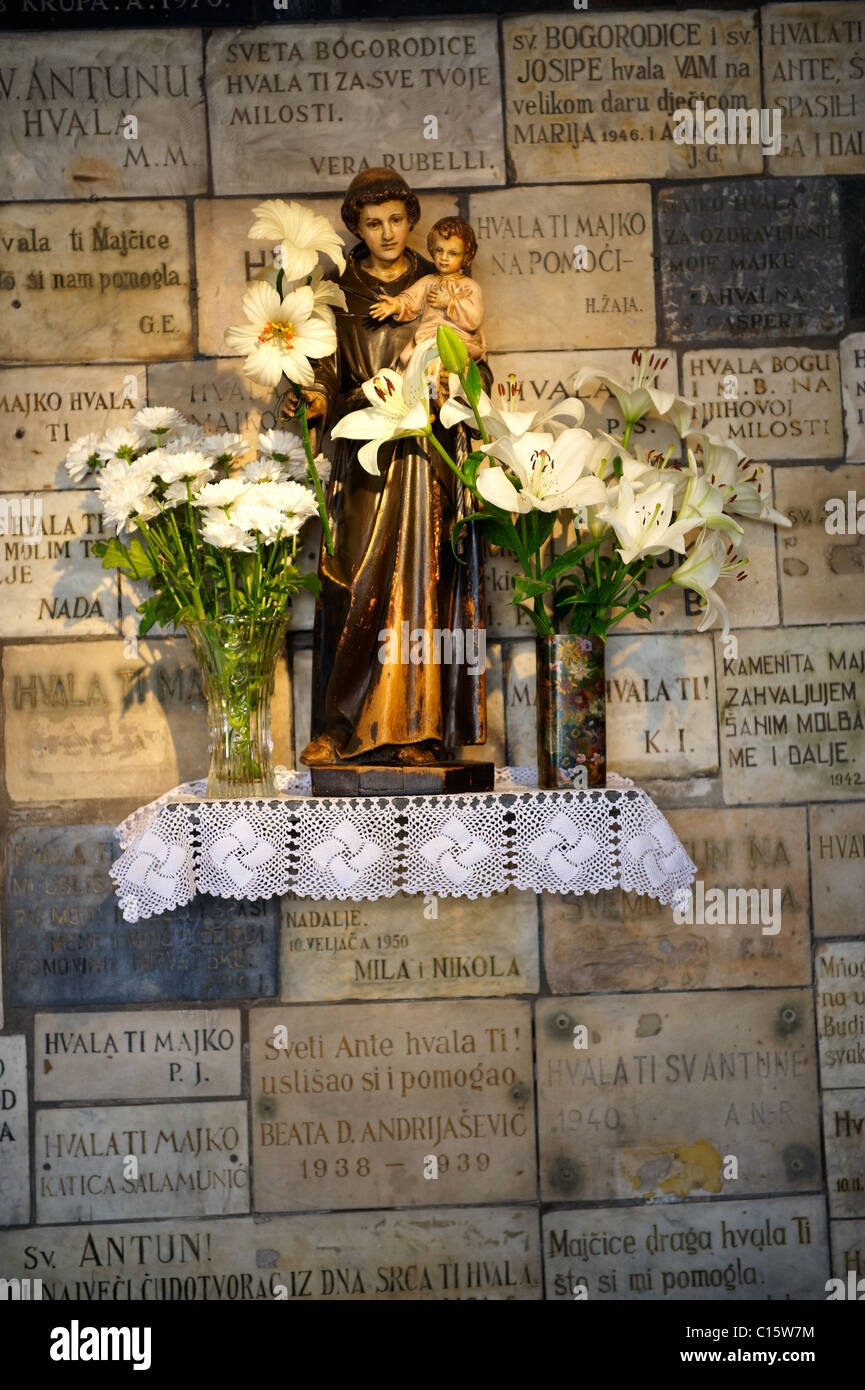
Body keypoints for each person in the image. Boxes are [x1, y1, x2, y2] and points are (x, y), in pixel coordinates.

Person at [293, 169, 489, 767]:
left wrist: (449, 384)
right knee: (350, 585)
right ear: (356, 226)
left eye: (397, 221)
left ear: (412, 223)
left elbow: (468, 349)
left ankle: (418, 729)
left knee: (423, 588)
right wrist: (316, 395)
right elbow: (320, 362)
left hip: (425, 451)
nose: (386, 233)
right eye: (372, 223)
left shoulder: (437, 283)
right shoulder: (337, 289)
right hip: (362, 450)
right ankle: (342, 726)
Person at [369, 216, 486, 372]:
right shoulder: (429, 282)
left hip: (457, 342)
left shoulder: (470, 287)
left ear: (466, 256)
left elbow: (474, 319)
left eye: (453, 253)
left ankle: (437, 389)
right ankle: (424, 392)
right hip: (427, 340)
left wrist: (450, 302)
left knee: (441, 363)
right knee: (410, 363)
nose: (444, 258)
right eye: (439, 250)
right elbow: (411, 300)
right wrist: (396, 305)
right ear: (432, 249)